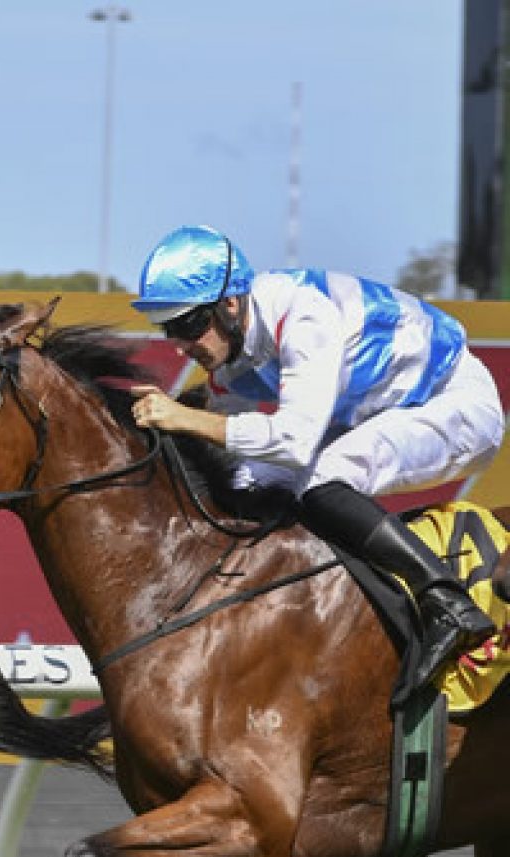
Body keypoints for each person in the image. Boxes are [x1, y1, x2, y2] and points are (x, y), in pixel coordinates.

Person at [127, 224, 503, 700]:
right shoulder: (231, 348)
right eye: (168, 329)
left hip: (454, 404)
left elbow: (294, 443)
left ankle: (446, 602)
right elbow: (222, 442)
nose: (180, 345)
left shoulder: (303, 315)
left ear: (230, 303)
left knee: (324, 476)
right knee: (242, 480)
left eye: (187, 325)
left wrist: (185, 419)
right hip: (372, 413)